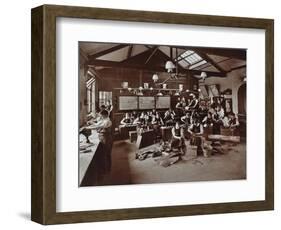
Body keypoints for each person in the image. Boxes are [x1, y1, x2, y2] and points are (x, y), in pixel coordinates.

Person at [84, 109, 113, 174]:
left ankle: (107, 169)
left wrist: (87, 128)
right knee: (103, 153)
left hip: (106, 137)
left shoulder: (108, 121)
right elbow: (97, 124)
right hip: (102, 136)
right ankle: (104, 168)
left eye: (101, 116)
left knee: (106, 153)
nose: (100, 117)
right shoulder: (104, 120)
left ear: (104, 115)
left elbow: (99, 126)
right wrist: (90, 124)